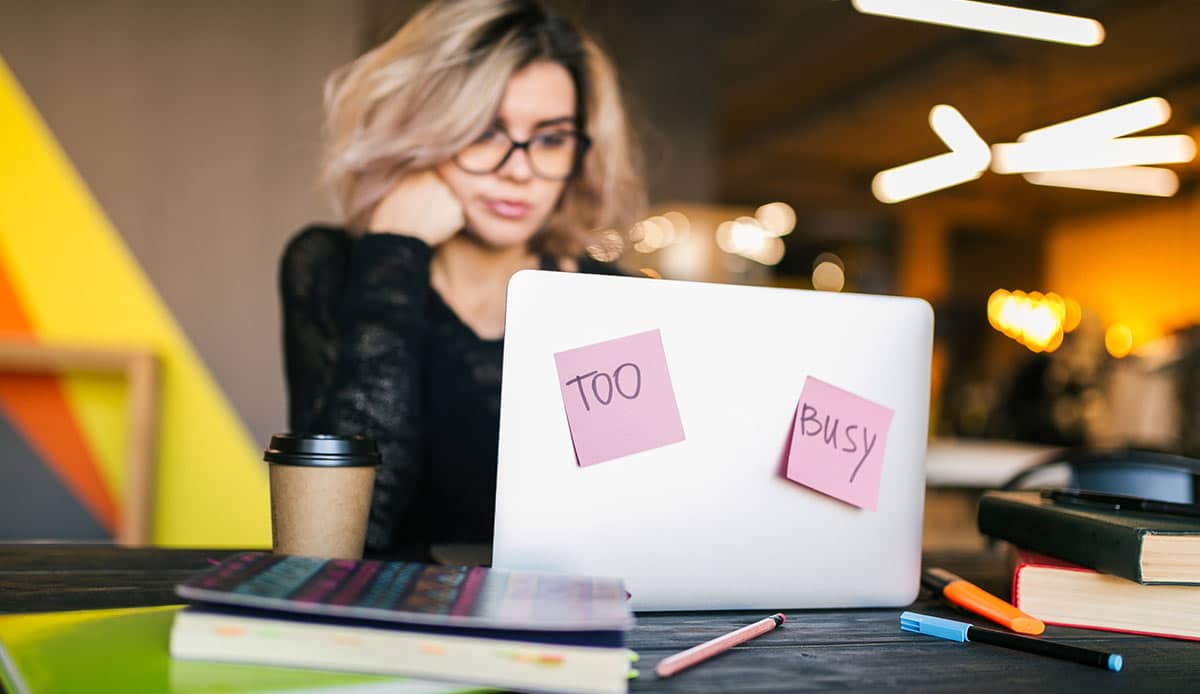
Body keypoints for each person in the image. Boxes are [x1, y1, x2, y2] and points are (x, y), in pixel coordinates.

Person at [279, 0, 645, 561]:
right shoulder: (330, 266)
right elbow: (343, 537)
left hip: (552, 626)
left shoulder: (606, 296)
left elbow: (633, 524)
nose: (519, 169)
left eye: (550, 139)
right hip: (384, 622)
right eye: (484, 132)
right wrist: (394, 252)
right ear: (424, 132)